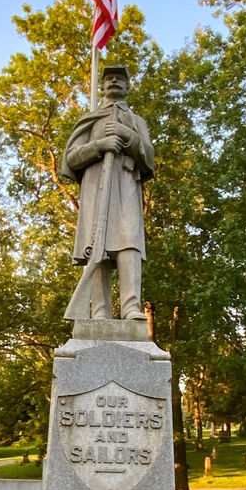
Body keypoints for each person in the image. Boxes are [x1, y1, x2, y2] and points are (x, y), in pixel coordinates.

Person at [61, 64, 154, 320]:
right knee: (97, 245)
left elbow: (149, 159)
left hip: (125, 186)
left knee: (130, 243)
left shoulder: (137, 122)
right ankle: (99, 311)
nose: (114, 81)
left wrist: (127, 136)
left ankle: (131, 307)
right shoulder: (89, 120)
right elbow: (71, 158)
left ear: (128, 86)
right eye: (109, 78)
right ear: (102, 86)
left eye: (120, 78)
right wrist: (100, 145)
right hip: (96, 189)